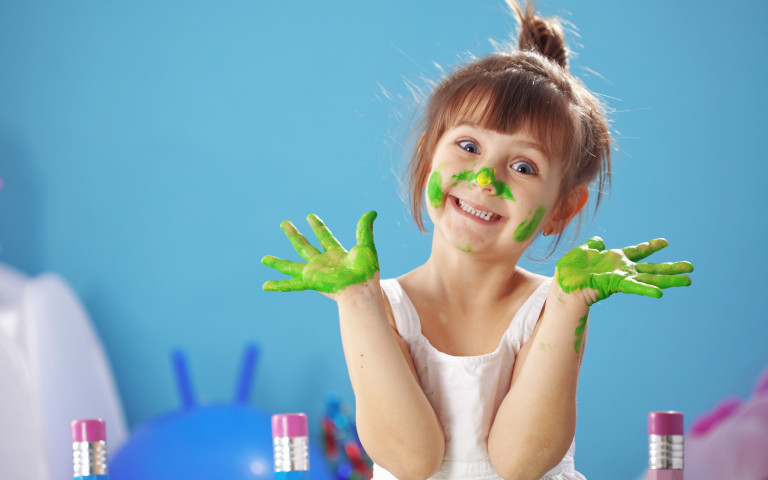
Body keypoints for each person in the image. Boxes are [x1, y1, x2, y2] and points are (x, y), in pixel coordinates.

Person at [261, 1, 694, 479]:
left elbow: (520, 463)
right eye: (469, 147)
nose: (486, 178)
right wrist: (357, 301)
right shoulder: (379, 304)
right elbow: (409, 458)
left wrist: (572, 304)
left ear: (560, 209)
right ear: (428, 155)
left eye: (524, 166)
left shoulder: (555, 304)